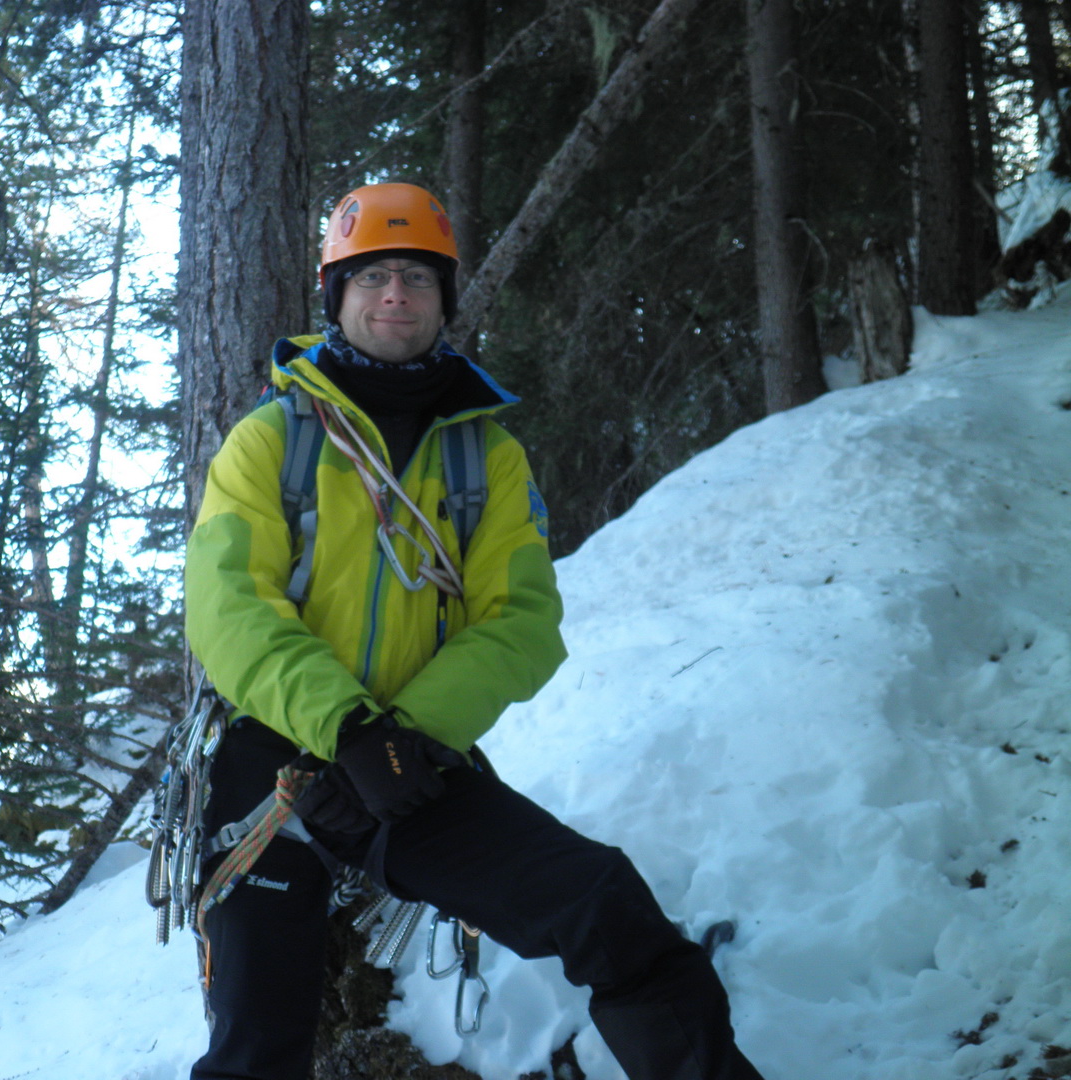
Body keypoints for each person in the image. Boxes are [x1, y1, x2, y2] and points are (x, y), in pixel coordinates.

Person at [183, 182, 765, 1080]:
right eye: (372, 276)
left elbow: (521, 619)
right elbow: (230, 607)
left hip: (416, 759)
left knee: (601, 901)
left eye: (418, 278)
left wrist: (405, 741)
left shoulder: (486, 456)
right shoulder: (272, 441)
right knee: (259, 1035)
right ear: (336, 295)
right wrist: (349, 732)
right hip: (278, 757)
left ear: (444, 299)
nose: (395, 295)